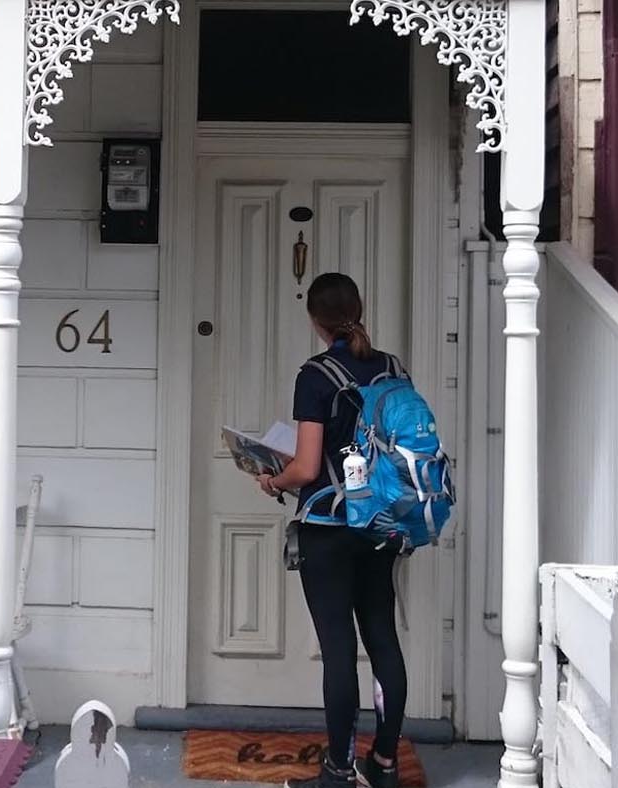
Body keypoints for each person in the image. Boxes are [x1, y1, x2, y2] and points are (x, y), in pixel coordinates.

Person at [256, 272, 408, 788]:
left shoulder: (316, 376)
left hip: (329, 524)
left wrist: (273, 478)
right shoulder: (392, 368)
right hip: (382, 524)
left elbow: (305, 466)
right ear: (358, 308)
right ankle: (385, 766)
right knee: (383, 640)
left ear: (316, 320)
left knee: (339, 648)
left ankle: (339, 771)